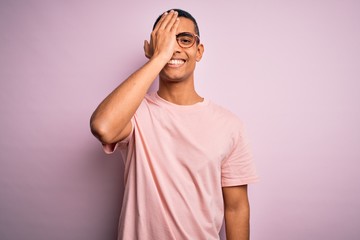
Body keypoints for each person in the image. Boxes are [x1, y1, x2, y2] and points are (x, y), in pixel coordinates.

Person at [90, 8, 258, 240]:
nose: (175, 48)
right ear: (151, 47)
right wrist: (159, 57)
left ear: (199, 51)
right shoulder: (135, 113)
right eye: (166, 39)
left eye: (185, 40)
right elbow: (103, 127)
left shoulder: (229, 124)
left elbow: (236, 208)